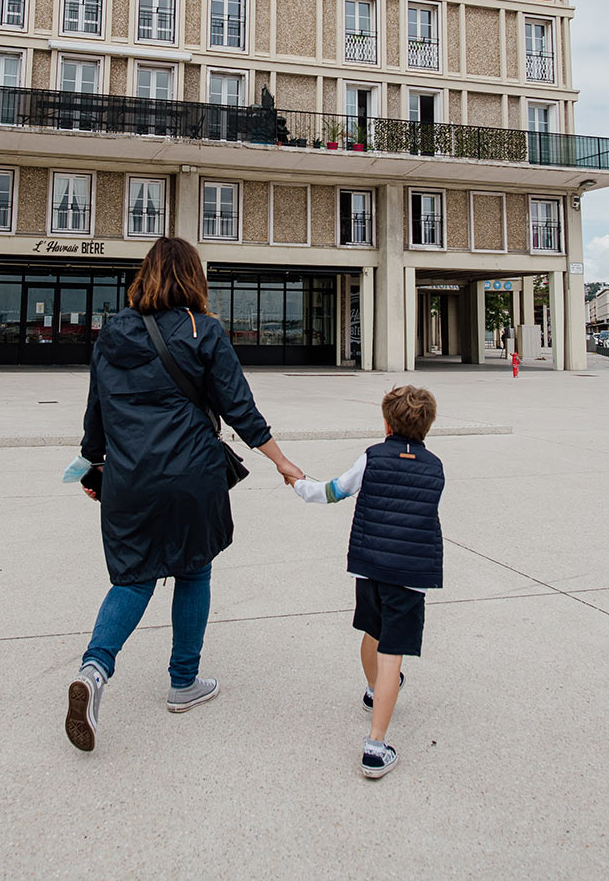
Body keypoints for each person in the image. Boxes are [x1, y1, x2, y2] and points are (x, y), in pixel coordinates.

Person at [65, 236, 303, 753]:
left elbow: (96, 411)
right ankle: (183, 682)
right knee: (195, 568)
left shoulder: (111, 334)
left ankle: (94, 669)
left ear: (145, 275)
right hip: (193, 476)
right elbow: (240, 408)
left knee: (133, 577)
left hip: (130, 480)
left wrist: (93, 465)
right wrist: (281, 462)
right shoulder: (205, 330)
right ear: (194, 277)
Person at [291, 385, 444, 780]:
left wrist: (298, 483)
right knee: (394, 652)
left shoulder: (372, 457)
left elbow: (335, 491)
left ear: (387, 423)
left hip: (370, 566)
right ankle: (375, 747)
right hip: (410, 575)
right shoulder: (436, 467)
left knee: (372, 633)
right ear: (427, 426)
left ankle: (375, 690)